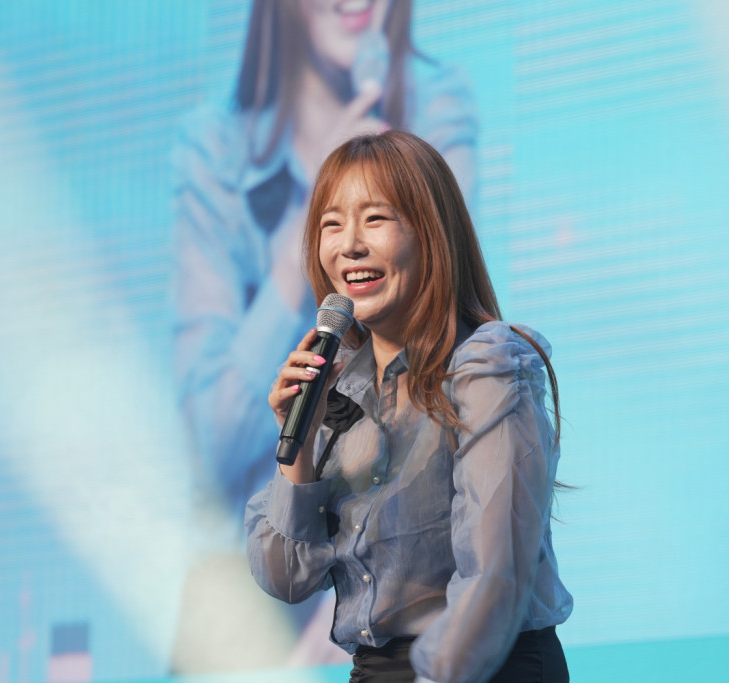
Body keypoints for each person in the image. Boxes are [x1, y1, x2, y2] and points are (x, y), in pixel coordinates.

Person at [245, 131, 573, 683]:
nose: (349, 245)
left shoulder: (484, 367)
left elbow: (494, 577)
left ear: (431, 234)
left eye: (375, 219)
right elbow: (285, 577)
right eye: (331, 224)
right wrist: (295, 448)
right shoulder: (339, 388)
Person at [172, 0, 477, 516]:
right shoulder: (216, 148)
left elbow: (449, 314)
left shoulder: (438, 106)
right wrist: (305, 229)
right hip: (267, 548)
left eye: (376, 217)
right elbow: (210, 451)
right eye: (331, 224)